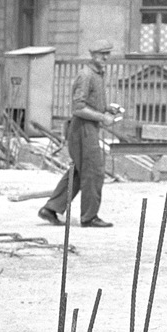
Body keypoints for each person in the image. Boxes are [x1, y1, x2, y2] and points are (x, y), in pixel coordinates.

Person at [39, 39, 122, 229]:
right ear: (93, 55)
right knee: (93, 172)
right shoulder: (86, 76)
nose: (106, 58)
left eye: (108, 54)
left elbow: (89, 104)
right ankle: (89, 217)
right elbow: (78, 108)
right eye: (102, 54)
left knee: (79, 171)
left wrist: (108, 108)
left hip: (88, 128)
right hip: (82, 129)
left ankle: (51, 209)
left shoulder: (97, 75)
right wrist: (103, 117)